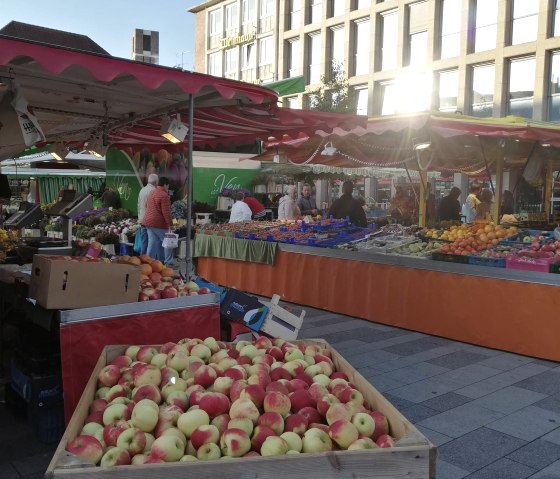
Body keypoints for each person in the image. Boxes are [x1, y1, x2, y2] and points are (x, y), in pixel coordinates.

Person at [142, 177, 173, 265]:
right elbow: (166, 213)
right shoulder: (164, 195)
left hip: (148, 222)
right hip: (158, 223)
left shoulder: (152, 192)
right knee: (168, 242)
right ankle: (168, 263)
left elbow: (146, 205)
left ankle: (149, 262)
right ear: (165, 185)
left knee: (152, 242)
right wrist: (171, 224)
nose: (168, 188)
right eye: (168, 186)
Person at [137, 173, 158, 255]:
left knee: (144, 241)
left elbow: (138, 205)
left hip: (142, 219)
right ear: (156, 182)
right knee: (151, 242)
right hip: (151, 220)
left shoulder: (142, 190)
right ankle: (149, 261)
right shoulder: (154, 191)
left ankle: (142, 258)